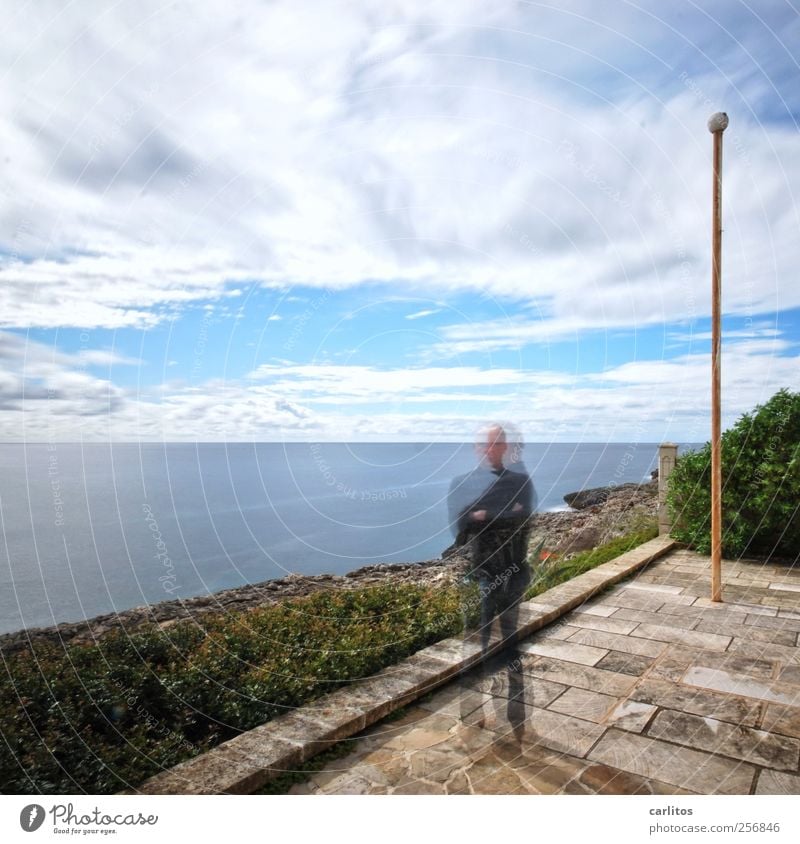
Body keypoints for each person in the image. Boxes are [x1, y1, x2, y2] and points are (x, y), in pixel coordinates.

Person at [447, 423, 537, 736]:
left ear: (505, 447)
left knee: (510, 648)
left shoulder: (520, 482)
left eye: (498, 443)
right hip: (480, 577)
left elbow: (520, 522)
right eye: (486, 444)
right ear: (477, 448)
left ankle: (515, 719)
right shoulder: (463, 482)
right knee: (473, 650)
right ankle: (470, 719)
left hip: (512, 575)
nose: (492, 448)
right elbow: (460, 532)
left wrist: (481, 515)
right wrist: (487, 514)